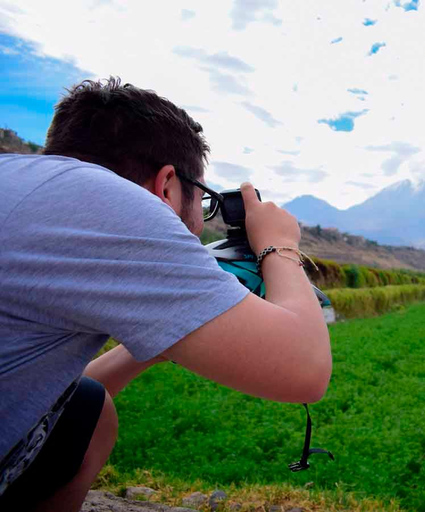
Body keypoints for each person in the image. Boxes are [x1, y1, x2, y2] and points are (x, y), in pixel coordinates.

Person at [0, 77, 332, 511]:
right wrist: (280, 243)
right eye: (203, 200)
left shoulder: (22, 179)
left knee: (87, 410)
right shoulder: (113, 204)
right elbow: (305, 370)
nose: (198, 218)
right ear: (168, 187)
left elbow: (34, 394)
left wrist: (158, 340)